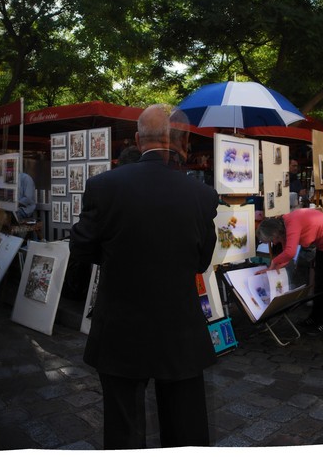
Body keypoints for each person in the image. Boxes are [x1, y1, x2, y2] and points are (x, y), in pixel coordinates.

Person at [69, 104, 217, 449]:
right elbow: (202, 260)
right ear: (175, 140)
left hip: (121, 322)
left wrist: (115, 258)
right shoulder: (200, 194)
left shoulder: (104, 186)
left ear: (137, 139)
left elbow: (81, 248)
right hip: (179, 325)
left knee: (123, 425)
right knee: (186, 424)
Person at [257, 206, 323, 334]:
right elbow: (286, 256)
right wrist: (273, 269)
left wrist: (273, 262)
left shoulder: (291, 223)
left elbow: (290, 252)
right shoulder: (284, 227)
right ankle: (315, 317)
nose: (274, 243)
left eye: (272, 240)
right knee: (319, 282)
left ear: (275, 233)